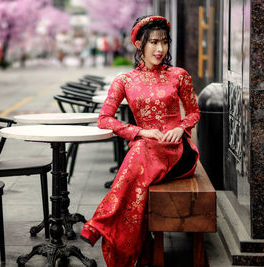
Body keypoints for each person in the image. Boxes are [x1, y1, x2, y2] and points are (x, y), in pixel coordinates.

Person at [80, 15, 201, 267]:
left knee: (139, 152)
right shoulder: (124, 81)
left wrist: (181, 128)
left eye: (164, 42)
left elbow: (194, 112)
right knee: (141, 148)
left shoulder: (179, 75)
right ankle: (134, 248)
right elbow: (104, 119)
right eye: (154, 42)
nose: (160, 49)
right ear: (139, 45)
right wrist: (139, 131)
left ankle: (101, 223)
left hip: (179, 153)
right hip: (146, 152)